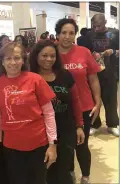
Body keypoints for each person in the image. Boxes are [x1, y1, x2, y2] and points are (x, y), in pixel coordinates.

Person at [0, 42, 57, 184]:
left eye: (17, 58)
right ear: (2, 62)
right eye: (8, 59)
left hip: (38, 144)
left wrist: (52, 144)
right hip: (12, 148)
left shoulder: (36, 80)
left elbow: (49, 113)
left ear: (23, 60)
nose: (13, 62)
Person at [30, 40, 85, 184]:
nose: (49, 59)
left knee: (64, 168)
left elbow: (76, 100)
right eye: (44, 55)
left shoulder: (64, 75)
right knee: (45, 169)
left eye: (52, 56)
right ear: (36, 56)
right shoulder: (30, 77)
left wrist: (79, 126)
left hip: (66, 130)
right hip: (41, 133)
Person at [55, 18, 101, 184]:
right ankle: (69, 172)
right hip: (60, 109)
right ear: (57, 34)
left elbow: (93, 79)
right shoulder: (51, 54)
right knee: (65, 145)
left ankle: (86, 176)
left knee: (81, 144)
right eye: (64, 33)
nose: (67, 36)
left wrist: (98, 102)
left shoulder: (84, 52)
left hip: (84, 106)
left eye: (71, 33)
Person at [85, 14, 119, 137]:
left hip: (110, 71)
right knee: (94, 99)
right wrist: (91, 54)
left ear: (105, 22)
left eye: (99, 26)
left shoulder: (115, 33)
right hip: (93, 73)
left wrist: (113, 51)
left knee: (111, 100)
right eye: (94, 26)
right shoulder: (89, 35)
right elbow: (85, 51)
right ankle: (94, 124)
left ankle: (112, 124)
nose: (96, 29)